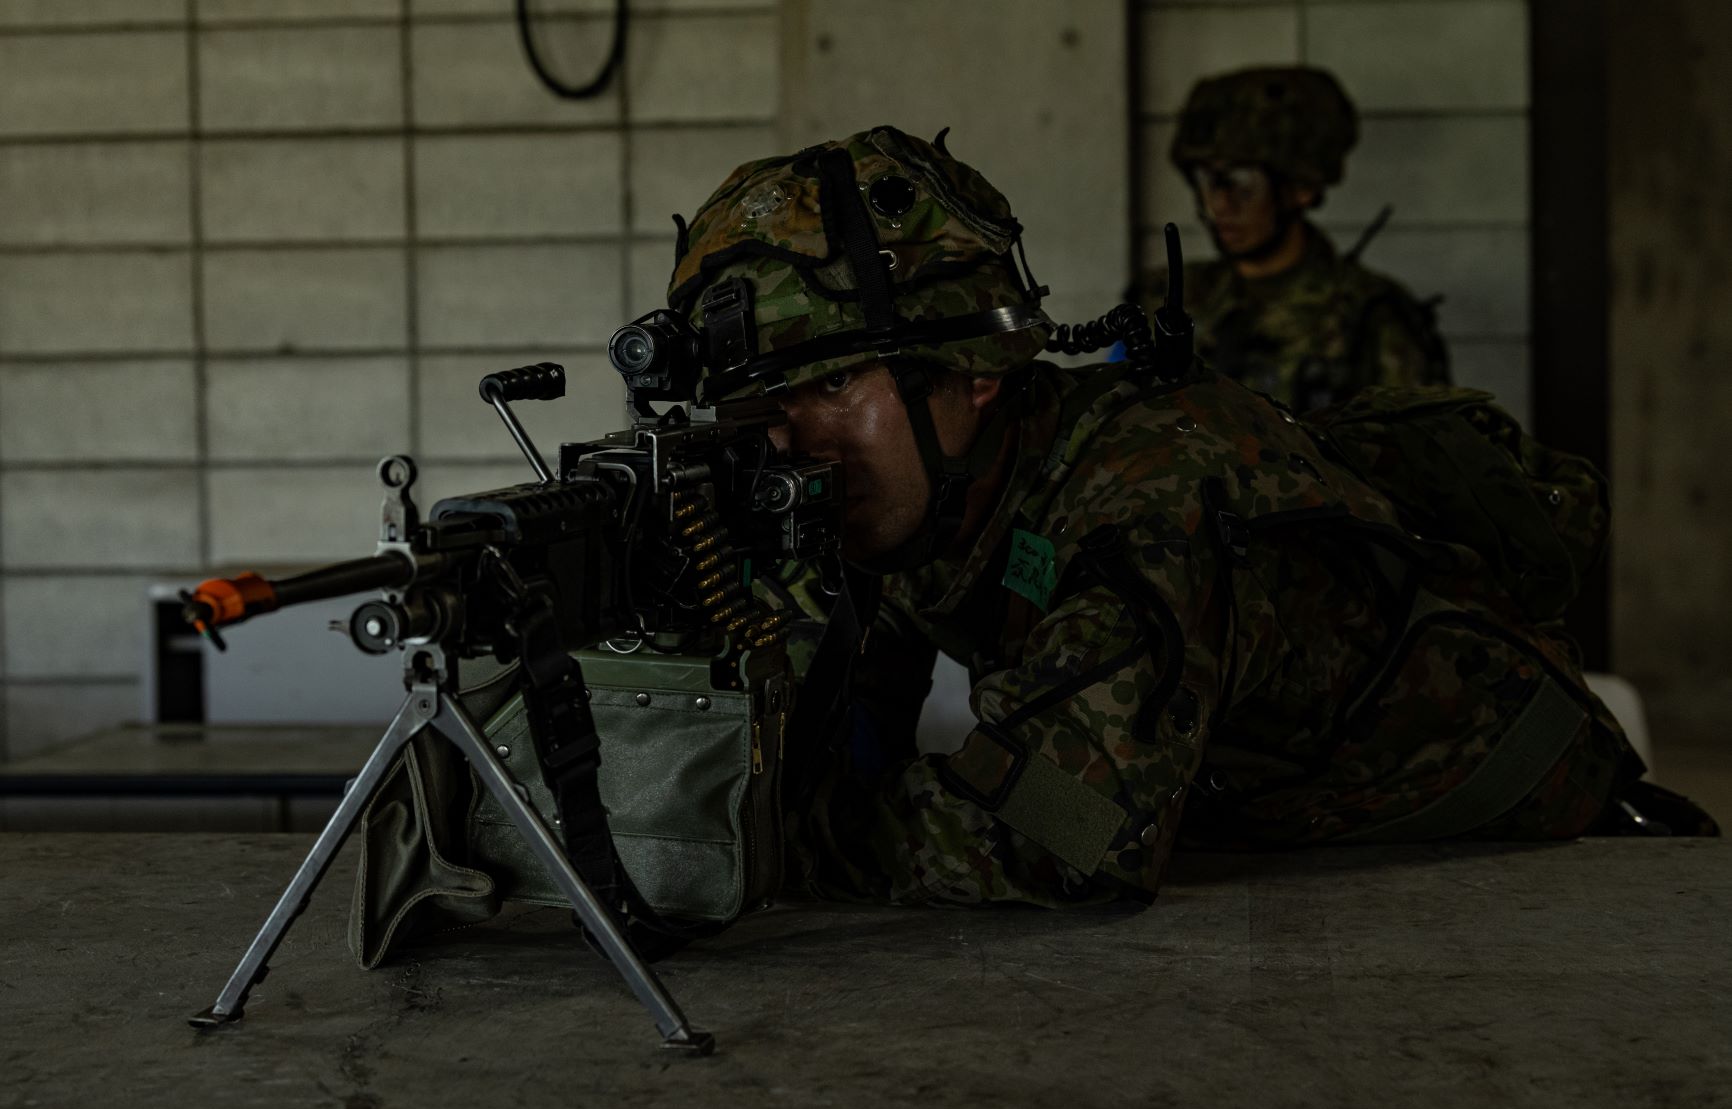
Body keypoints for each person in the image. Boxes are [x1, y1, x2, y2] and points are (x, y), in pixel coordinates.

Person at [667, 125, 1711, 907]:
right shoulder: (921, 494)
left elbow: (1070, 834)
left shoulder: (1143, 491)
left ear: (974, 372)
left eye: (833, 385)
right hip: (1264, 816)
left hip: (1500, 823)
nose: (789, 442)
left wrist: (751, 844)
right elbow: (833, 721)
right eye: (761, 406)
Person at [1138, 67, 1450, 412]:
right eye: (1206, 180)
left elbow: (1419, 454)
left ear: (1301, 189)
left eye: (1242, 183)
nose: (1220, 204)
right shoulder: (1165, 301)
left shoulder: (1373, 319)